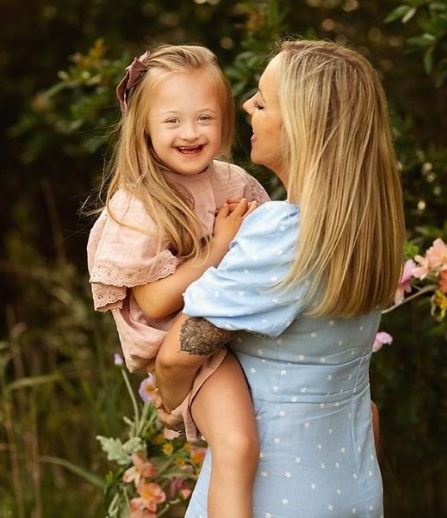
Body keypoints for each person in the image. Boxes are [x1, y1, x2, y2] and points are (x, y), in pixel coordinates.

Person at [155, 39, 405, 517]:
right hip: (350, 484)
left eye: (263, 101)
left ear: (302, 127)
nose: (247, 105)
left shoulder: (283, 235)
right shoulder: (366, 228)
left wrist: (173, 407)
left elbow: (174, 359)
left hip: (272, 494)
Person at [86, 44, 269, 518]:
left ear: (225, 121)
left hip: (236, 329)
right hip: (186, 346)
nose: (190, 133)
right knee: (237, 443)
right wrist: (217, 248)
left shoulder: (235, 183)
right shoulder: (139, 203)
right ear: (144, 125)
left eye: (204, 118)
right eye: (172, 121)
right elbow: (154, 302)